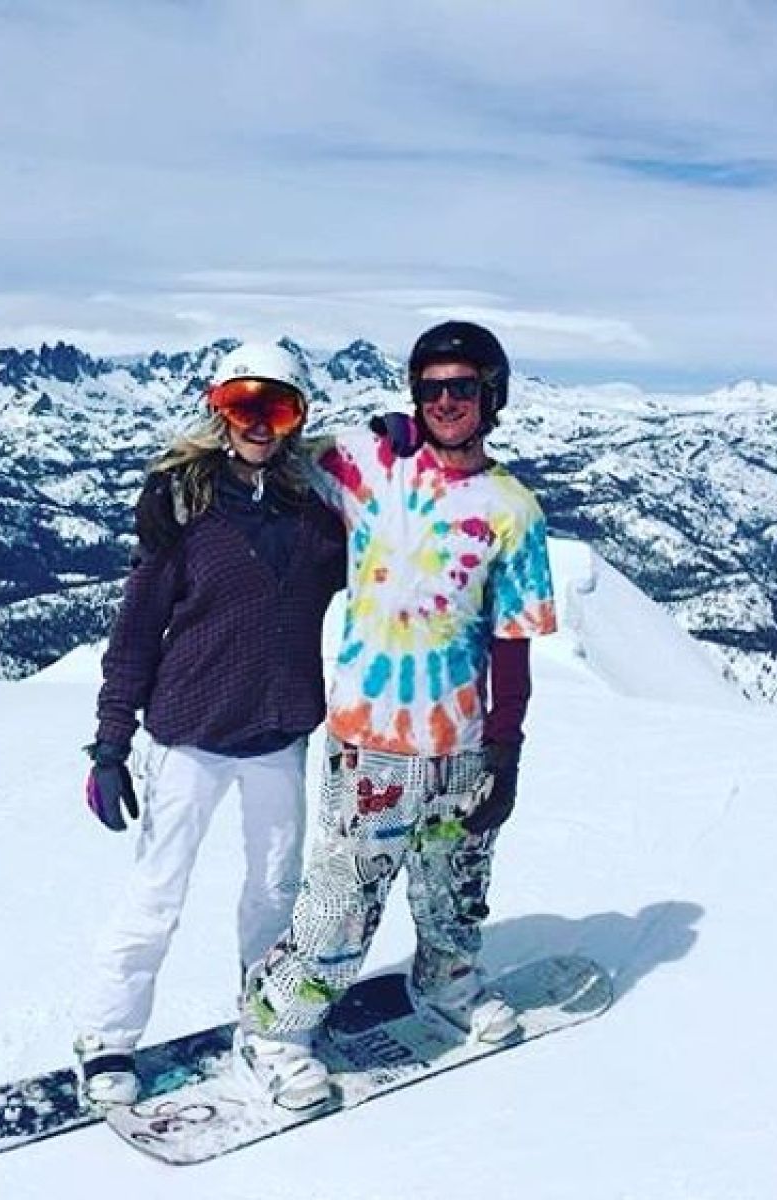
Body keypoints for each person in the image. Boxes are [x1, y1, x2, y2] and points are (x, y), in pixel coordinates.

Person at [232, 320, 558, 1111]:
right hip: (370, 738)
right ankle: (272, 1030)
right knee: (343, 897)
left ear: (491, 396)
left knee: (455, 889)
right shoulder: (370, 464)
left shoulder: (513, 509)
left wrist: (506, 748)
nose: (445, 401)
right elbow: (272, 447)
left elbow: (512, 641)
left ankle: (448, 985)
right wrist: (364, 431)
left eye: (462, 387)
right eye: (430, 388)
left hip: (462, 740)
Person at [75, 342, 347, 1107]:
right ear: (218, 411)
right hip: (189, 734)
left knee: (274, 892)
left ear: (297, 418)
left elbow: (385, 562)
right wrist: (110, 745)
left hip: (279, 735)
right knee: (156, 893)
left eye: (277, 408)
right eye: (241, 405)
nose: (259, 423)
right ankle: (106, 1038)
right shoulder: (184, 509)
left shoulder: (318, 517)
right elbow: (136, 633)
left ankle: (267, 1030)